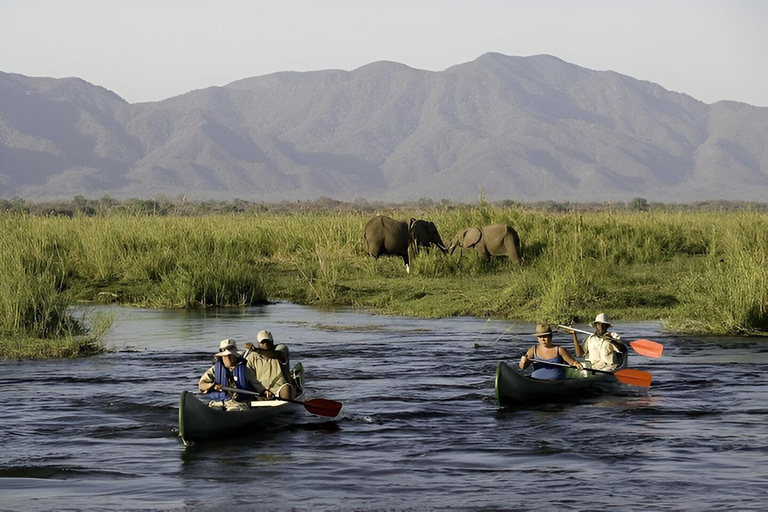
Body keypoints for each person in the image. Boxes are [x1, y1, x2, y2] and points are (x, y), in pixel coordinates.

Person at [199, 339, 270, 410]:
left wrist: (265, 392)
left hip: (238, 403)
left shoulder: (245, 370)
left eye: (230, 355)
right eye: (225, 356)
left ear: (235, 355)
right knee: (215, 409)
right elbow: (202, 385)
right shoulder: (214, 369)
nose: (228, 358)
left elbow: (258, 386)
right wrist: (212, 385)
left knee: (232, 410)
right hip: (219, 402)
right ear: (221, 357)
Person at [244, 330, 295, 400]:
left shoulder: (281, 349)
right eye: (262, 342)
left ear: (272, 341)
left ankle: (286, 405)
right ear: (258, 343)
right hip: (261, 389)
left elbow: (278, 355)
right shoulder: (252, 356)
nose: (265, 345)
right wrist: (262, 390)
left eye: (267, 342)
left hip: (279, 387)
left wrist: (257, 350)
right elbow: (249, 375)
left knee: (286, 388)